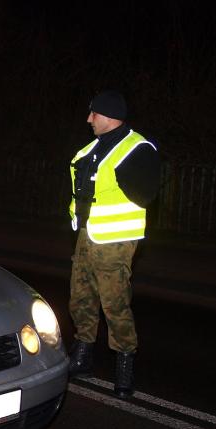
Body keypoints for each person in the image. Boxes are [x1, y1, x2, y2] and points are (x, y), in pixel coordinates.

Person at [67, 90, 160, 398]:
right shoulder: (89, 150)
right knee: (80, 298)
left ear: (107, 116)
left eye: (93, 113)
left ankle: (124, 366)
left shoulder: (136, 149)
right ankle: (83, 356)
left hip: (116, 240)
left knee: (114, 304)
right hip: (86, 236)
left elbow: (146, 194)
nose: (88, 119)